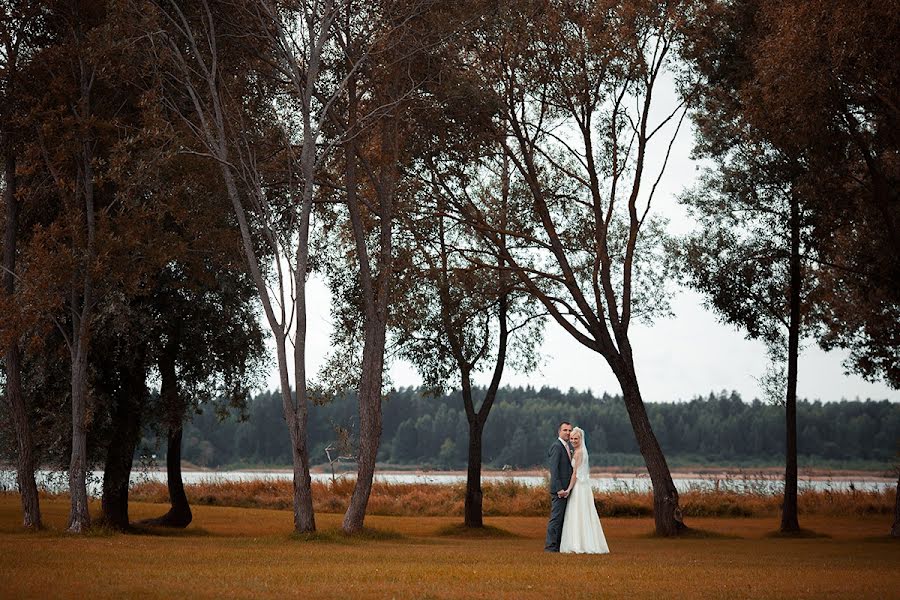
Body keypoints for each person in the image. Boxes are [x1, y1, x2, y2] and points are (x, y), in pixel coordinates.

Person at [560, 426, 610, 554]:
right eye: (571, 438)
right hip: (583, 486)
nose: (573, 441)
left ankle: (579, 544)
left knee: (579, 513)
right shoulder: (580, 451)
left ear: (581, 438)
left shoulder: (579, 453)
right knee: (583, 514)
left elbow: (575, 474)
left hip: (579, 488)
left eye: (576, 438)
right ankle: (582, 542)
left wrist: (568, 489)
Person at [545, 421, 573, 552]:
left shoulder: (567, 447)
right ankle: (550, 547)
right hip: (560, 491)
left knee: (562, 519)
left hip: (567, 490)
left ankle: (558, 546)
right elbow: (554, 470)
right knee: (556, 519)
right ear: (559, 432)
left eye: (569, 430)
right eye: (565, 430)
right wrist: (559, 489)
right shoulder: (557, 447)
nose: (568, 433)